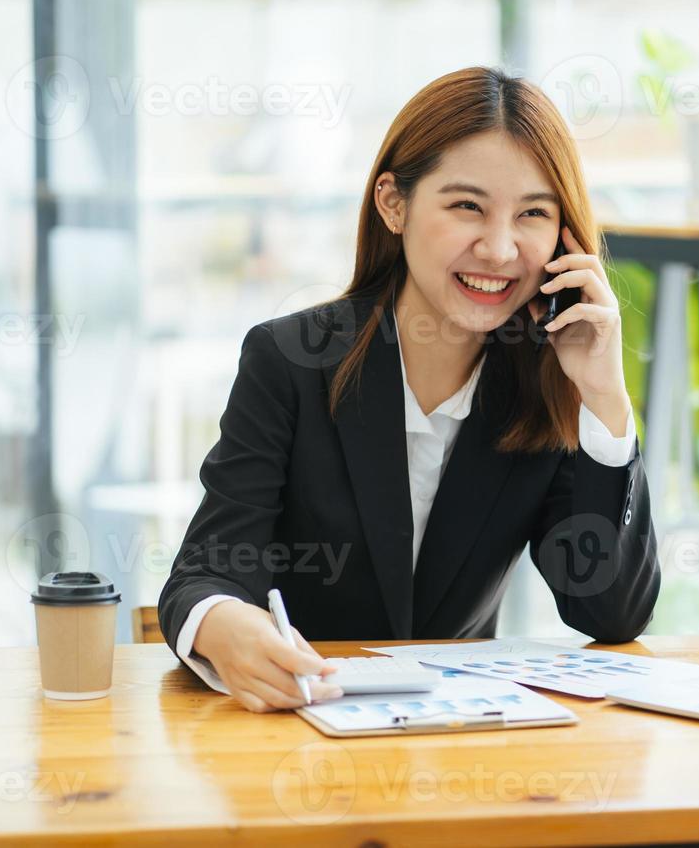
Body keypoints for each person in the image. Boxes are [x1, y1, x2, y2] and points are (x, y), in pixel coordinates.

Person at [157, 66, 659, 712]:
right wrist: (225, 623)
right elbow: (204, 572)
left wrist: (604, 398)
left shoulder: (548, 384)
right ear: (393, 203)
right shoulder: (289, 363)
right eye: (466, 206)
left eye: (532, 213)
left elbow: (609, 611)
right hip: (302, 740)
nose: (501, 249)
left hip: (461, 756)